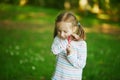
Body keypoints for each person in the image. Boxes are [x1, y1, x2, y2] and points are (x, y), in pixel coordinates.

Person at [51, 11, 87, 80]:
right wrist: (64, 42)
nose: (61, 34)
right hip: (58, 77)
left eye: (65, 31)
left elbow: (81, 64)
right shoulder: (58, 39)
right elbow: (54, 51)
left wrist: (70, 55)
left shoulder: (81, 44)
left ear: (74, 29)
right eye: (59, 31)